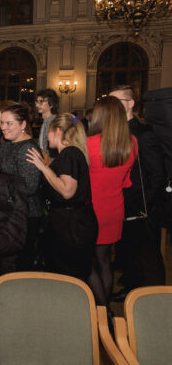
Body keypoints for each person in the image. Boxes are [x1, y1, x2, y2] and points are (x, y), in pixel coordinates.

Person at [109, 85, 165, 299]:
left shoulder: (143, 134)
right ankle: (131, 291)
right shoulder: (116, 131)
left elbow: (157, 175)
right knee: (128, 252)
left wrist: (144, 205)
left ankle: (155, 299)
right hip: (123, 204)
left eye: (117, 101)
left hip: (141, 208)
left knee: (148, 256)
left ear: (130, 103)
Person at [26, 114, 98, 280]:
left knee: (71, 276)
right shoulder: (70, 154)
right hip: (73, 223)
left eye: (48, 133)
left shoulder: (70, 153)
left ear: (58, 131)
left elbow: (67, 191)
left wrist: (44, 168)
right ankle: (99, 306)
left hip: (71, 227)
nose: (46, 137)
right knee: (81, 273)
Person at [86, 96, 137, 307]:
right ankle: (104, 307)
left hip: (90, 211)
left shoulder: (88, 144)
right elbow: (126, 182)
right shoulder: (131, 143)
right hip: (114, 209)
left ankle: (100, 310)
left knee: (85, 263)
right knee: (105, 261)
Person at [0, 104, 43, 272]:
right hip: (8, 213)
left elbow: (29, 186)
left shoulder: (27, 148)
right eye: (2, 122)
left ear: (23, 125)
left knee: (19, 267)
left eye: (9, 123)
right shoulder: (8, 143)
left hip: (25, 217)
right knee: (6, 265)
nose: (3, 127)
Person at [35, 88, 59, 157]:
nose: (37, 105)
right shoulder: (47, 120)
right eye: (37, 102)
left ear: (51, 104)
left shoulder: (52, 121)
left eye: (41, 102)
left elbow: (48, 149)